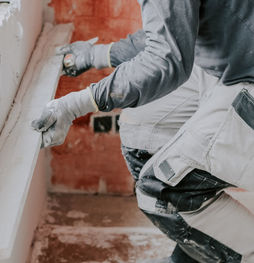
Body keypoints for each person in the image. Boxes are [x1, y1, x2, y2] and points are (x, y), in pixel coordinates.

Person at [32, 1, 254, 262]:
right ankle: (197, 255)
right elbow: (171, 29)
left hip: (244, 79)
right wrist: (97, 55)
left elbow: (165, 60)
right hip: (235, 66)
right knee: (145, 130)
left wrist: (75, 104)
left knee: (163, 190)